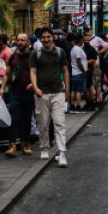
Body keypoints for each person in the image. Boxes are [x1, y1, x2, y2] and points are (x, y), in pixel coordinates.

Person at [31, 29, 70, 165]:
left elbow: (65, 71)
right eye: (43, 37)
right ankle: (44, 148)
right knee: (43, 123)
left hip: (58, 92)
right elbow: (33, 72)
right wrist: (35, 88)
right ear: (40, 39)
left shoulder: (60, 52)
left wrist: (67, 90)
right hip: (42, 93)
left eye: (48, 37)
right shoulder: (36, 53)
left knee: (59, 123)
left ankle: (62, 152)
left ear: (53, 38)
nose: (46, 39)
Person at [1, 33, 35, 157]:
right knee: (14, 119)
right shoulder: (13, 57)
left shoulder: (33, 56)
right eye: (18, 40)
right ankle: (12, 146)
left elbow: (37, 73)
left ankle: (26, 145)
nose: (19, 42)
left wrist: (33, 84)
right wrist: (2, 88)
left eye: (22, 40)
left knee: (26, 119)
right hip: (15, 93)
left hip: (28, 94)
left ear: (28, 43)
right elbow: (6, 74)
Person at [68, 32, 88, 112]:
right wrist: (83, 71)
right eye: (82, 40)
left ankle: (72, 106)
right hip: (79, 73)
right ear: (80, 40)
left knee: (74, 90)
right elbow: (79, 62)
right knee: (79, 91)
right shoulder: (78, 49)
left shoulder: (73, 49)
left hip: (74, 72)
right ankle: (78, 107)